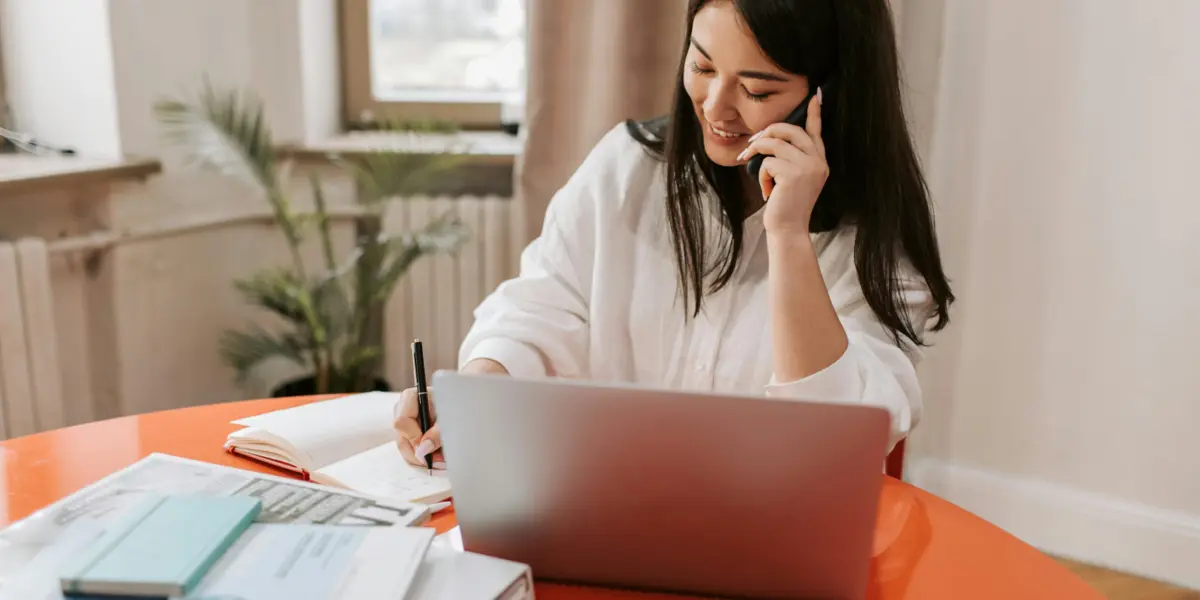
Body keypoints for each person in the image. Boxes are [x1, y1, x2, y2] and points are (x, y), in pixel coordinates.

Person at [394, 0, 954, 471]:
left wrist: (788, 237)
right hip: (600, 507)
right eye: (703, 66)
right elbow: (540, 306)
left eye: (757, 91)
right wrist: (477, 394)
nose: (715, 107)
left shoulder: (878, 239)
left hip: (767, 537)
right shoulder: (627, 167)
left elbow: (836, 439)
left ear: (830, 96)